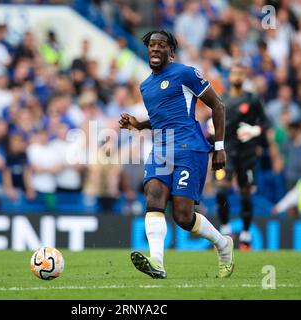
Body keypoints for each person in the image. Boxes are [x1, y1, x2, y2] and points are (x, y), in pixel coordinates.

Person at [119, 30, 234, 279]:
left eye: (161, 45)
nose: (155, 49)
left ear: (171, 52)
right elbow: (162, 119)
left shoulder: (185, 73)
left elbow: (218, 105)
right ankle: (157, 263)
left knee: (183, 217)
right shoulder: (146, 85)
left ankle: (223, 244)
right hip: (161, 149)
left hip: (189, 148)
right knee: (153, 198)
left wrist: (219, 146)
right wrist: (139, 125)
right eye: (151, 45)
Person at [214, 63, 270, 250]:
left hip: (247, 153)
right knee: (222, 190)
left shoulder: (252, 99)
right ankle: (224, 231)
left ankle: (245, 236)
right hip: (227, 152)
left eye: (240, 73)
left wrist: (255, 130)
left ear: (244, 77)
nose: (237, 76)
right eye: (234, 72)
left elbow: (265, 121)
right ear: (229, 77)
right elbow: (214, 123)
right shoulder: (222, 99)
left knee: (246, 193)